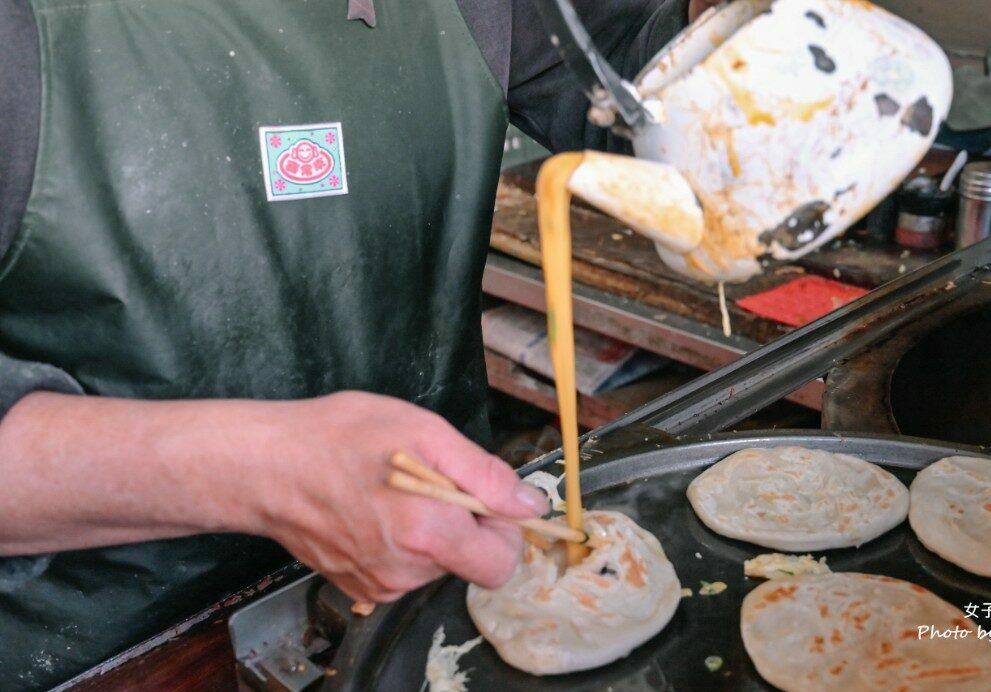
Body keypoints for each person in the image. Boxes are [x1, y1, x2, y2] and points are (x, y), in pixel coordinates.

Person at [0, 0, 716, 687]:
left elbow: (651, 97)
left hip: (433, 587)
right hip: (116, 654)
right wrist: (261, 472)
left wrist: (740, 40)